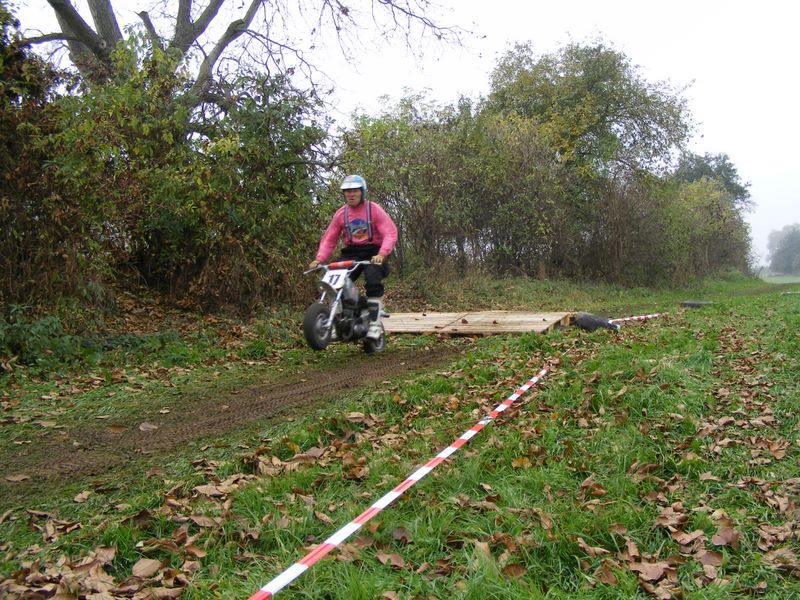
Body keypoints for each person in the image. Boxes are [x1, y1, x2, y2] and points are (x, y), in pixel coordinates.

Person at [309, 174, 398, 340]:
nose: (351, 194)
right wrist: (319, 259)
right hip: (352, 251)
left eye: (355, 190)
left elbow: (390, 232)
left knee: (372, 279)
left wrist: (382, 253)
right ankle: (338, 322)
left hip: (374, 251)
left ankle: (375, 324)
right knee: (333, 282)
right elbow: (329, 238)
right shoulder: (341, 214)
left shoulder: (374, 210)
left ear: (362, 192)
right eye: (347, 191)